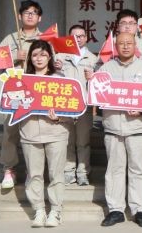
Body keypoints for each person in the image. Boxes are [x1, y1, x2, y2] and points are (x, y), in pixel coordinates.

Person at [99, 33, 142, 228]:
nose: (125, 46)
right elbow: (97, 96)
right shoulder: (105, 69)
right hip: (113, 127)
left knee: (138, 170)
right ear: (115, 46)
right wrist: (92, 82)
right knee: (114, 170)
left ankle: (139, 210)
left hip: (137, 127)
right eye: (121, 43)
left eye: (129, 43)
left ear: (135, 45)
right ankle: (115, 210)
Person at [20, 39, 71, 228]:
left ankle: (55, 211)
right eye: (35, 55)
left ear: (50, 57)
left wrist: (59, 117)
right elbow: (11, 104)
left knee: (56, 174)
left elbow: (72, 108)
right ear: (30, 58)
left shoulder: (60, 78)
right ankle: (39, 210)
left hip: (56, 132)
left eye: (43, 54)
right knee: (34, 174)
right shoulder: (22, 80)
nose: (39, 58)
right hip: (29, 132)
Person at [0, 0, 45, 190]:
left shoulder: (45, 39)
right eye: (26, 12)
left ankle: (33, 172)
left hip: (37, 92)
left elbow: (53, 62)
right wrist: (13, 57)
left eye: (34, 12)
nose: (30, 15)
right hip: (15, 93)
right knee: (11, 131)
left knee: (36, 131)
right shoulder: (10, 39)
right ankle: (9, 169)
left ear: (40, 18)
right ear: (19, 16)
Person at [60, 24, 97, 186]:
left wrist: (93, 77)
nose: (78, 39)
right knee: (67, 140)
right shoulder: (60, 57)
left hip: (84, 106)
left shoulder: (93, 59)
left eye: (81, 36)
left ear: (86, 38)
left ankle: (83, 172)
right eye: (75, 36)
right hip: (65, 106)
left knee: (83, 141)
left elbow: (100, 82)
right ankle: (68, 171)